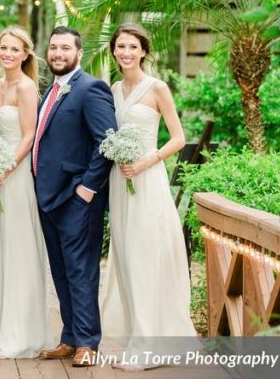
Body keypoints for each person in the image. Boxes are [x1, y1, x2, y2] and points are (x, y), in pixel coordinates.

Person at [100, 23, 196, 371]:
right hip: (120, 182)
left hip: (148, 180)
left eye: (132, 47)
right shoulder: (113, 89)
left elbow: (178, 138)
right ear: (114, 51)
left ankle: (148, 347)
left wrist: (146, 161)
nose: (126, 52)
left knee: (145, 257)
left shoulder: (158, 88)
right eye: (120, 46)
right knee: (125, 258)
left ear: (143, 51)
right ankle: (135, 338)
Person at [33, 26, 117, 367]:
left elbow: (106, 142)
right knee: (61, 270)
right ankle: (69, 338)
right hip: (49, 197)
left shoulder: (90, 88)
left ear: (79, 53)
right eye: (53, 48)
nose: (57, 54)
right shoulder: (50, 92)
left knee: (81, 271)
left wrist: (86, 189)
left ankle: (87, 342)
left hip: (77, 198)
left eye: (65, 48)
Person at [0, 26, 50, 359]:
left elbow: (28, 136)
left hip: (16, 174)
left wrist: (4, 171)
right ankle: (0, 333)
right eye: (3, 47)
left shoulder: (26, 88)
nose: (7, 53)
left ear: (26, 54)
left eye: (14, 49)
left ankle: (21, 336)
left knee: (18, 251)